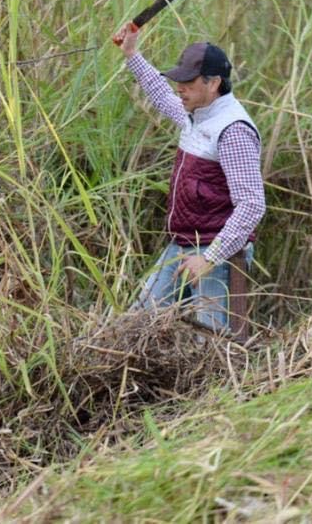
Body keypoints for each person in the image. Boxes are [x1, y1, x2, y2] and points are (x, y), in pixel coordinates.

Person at [111, 22, 265, 335]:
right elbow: (161, 95)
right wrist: (132, 54)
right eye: (179, 81)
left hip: (219, 255)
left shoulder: (232, 130)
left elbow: (251, 205)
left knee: (210, 347)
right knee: (135, 328)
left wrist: (209, 258)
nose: (180, 88)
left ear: (214, 83)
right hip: (181, 245)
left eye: (188, 82)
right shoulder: (196, 113)